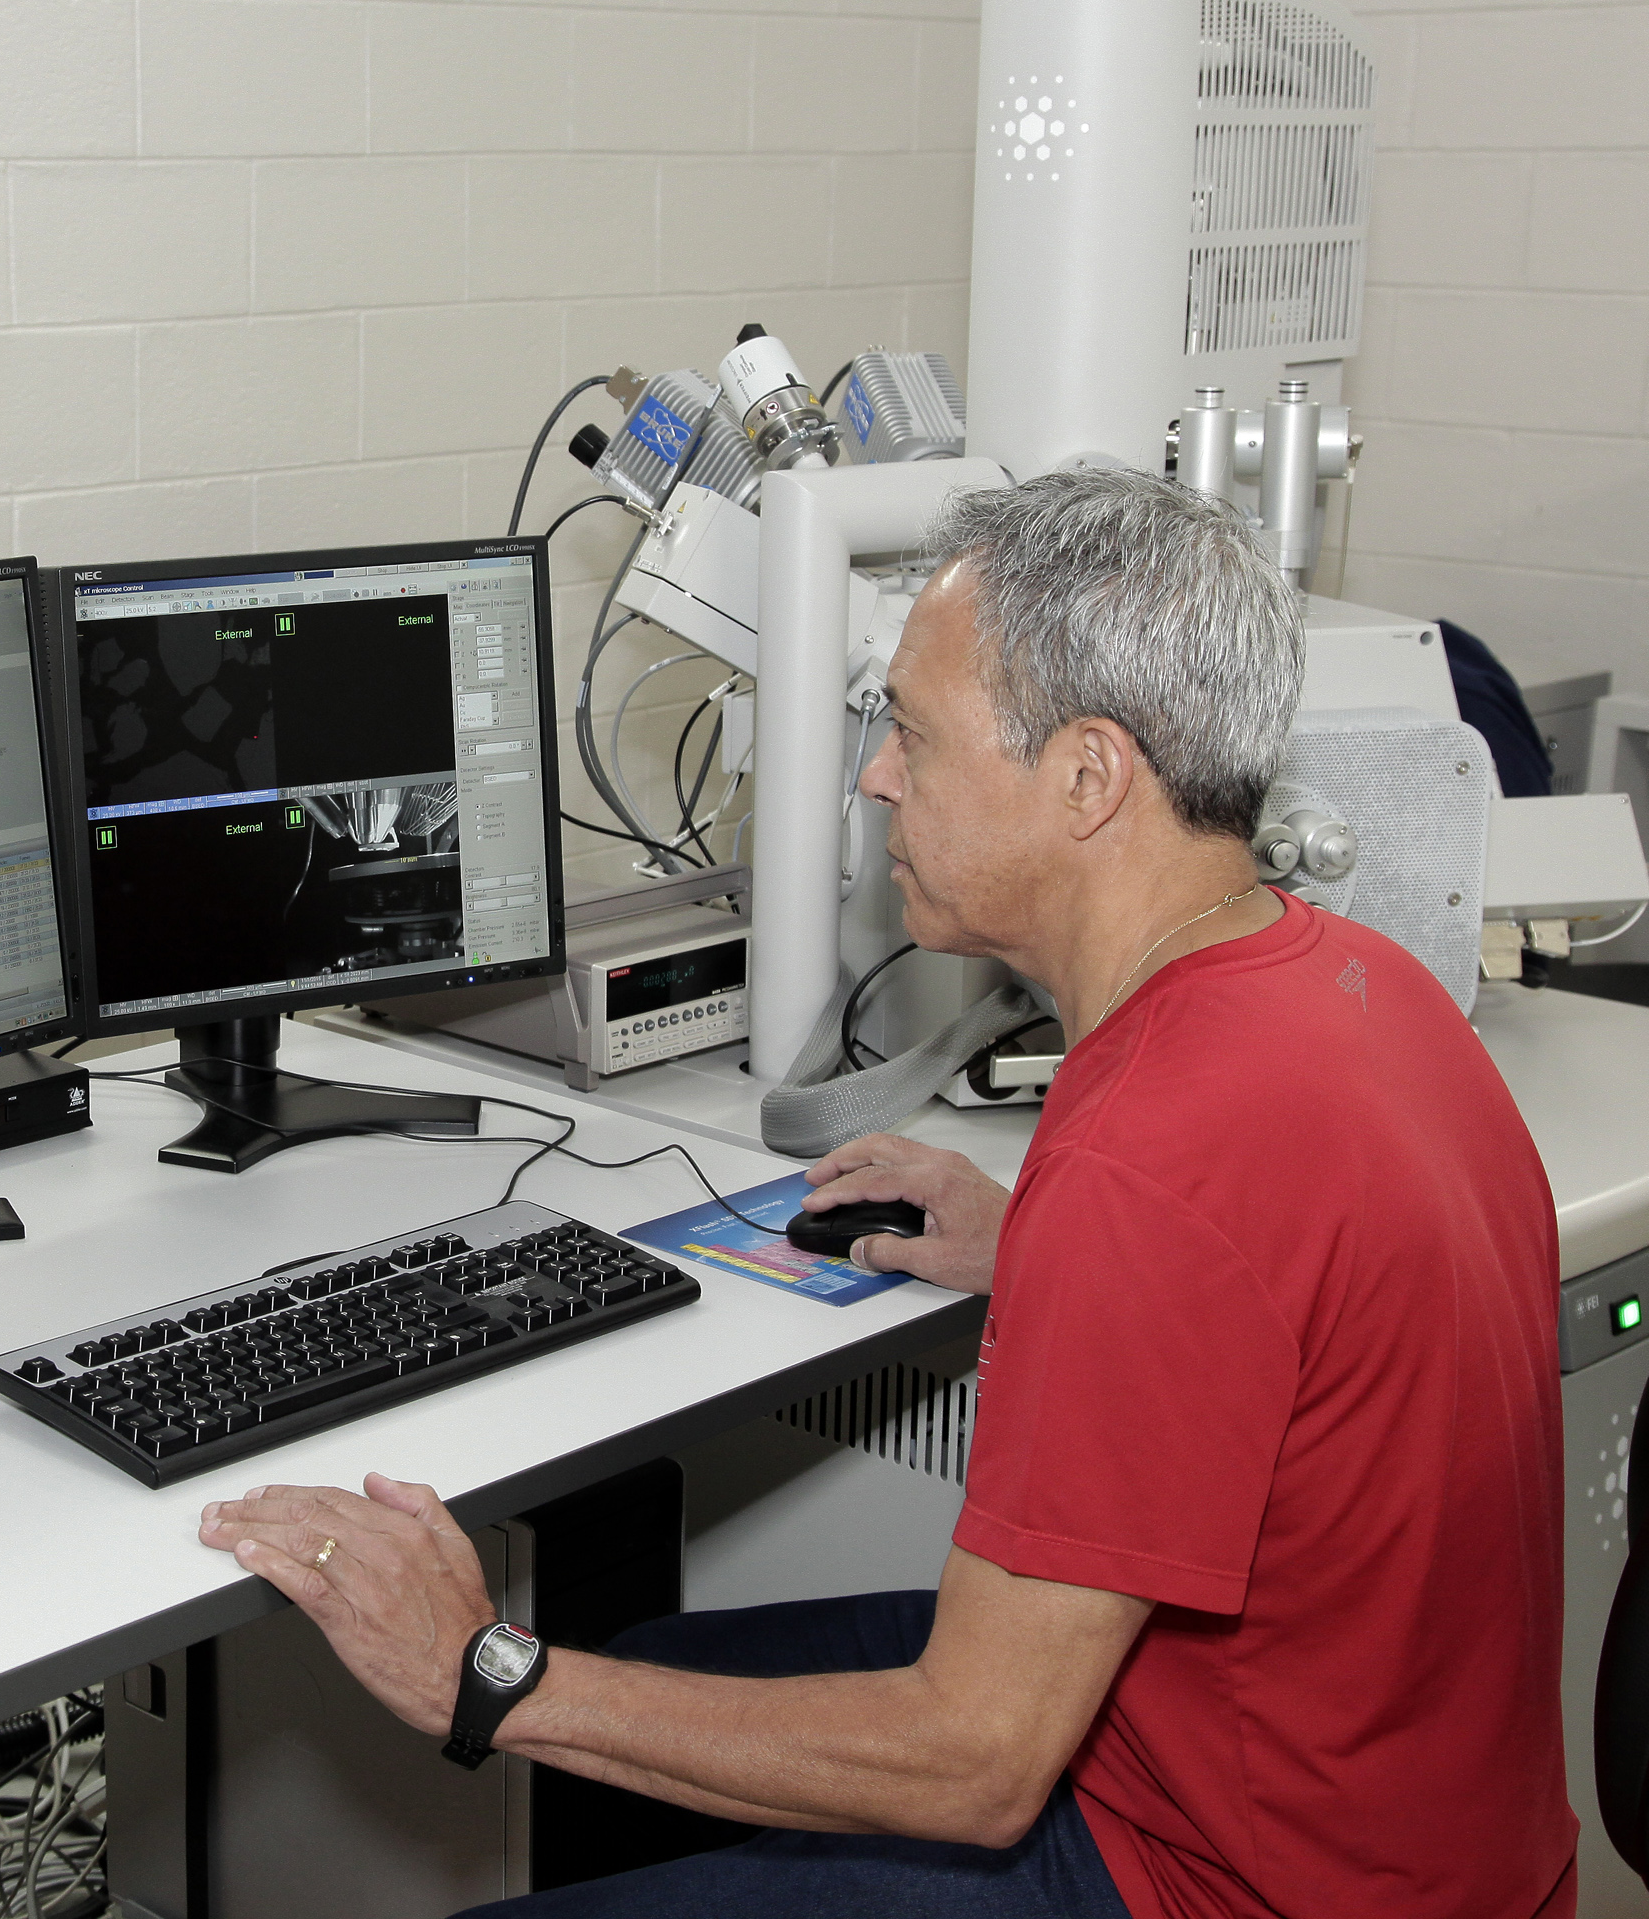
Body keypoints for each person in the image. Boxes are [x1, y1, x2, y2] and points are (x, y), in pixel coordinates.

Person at [198, 468, 1575, 1917]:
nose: (874, 777)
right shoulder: (1364, 992)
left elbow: (974, 1768)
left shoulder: (1152, 1164)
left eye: (911, 735)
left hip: (1215, 1882)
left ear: (1090, 779)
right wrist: (1039, 1246)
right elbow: (1279, 1302)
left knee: (549, 1726)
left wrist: (486, 1676)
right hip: (1398, 1831)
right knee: (649, 1685)